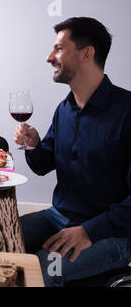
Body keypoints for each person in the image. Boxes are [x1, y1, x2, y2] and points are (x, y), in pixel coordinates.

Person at [14, 17, 131, 286]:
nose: (48, 57)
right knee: (1, 238)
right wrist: (33, 145)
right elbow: (44, 164)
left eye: (58, 49)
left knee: (46, 268)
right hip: (59, 216)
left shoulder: (127, 111)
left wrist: (89, 231)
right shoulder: (64, 109)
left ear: (86, 53)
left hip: (112, 233)